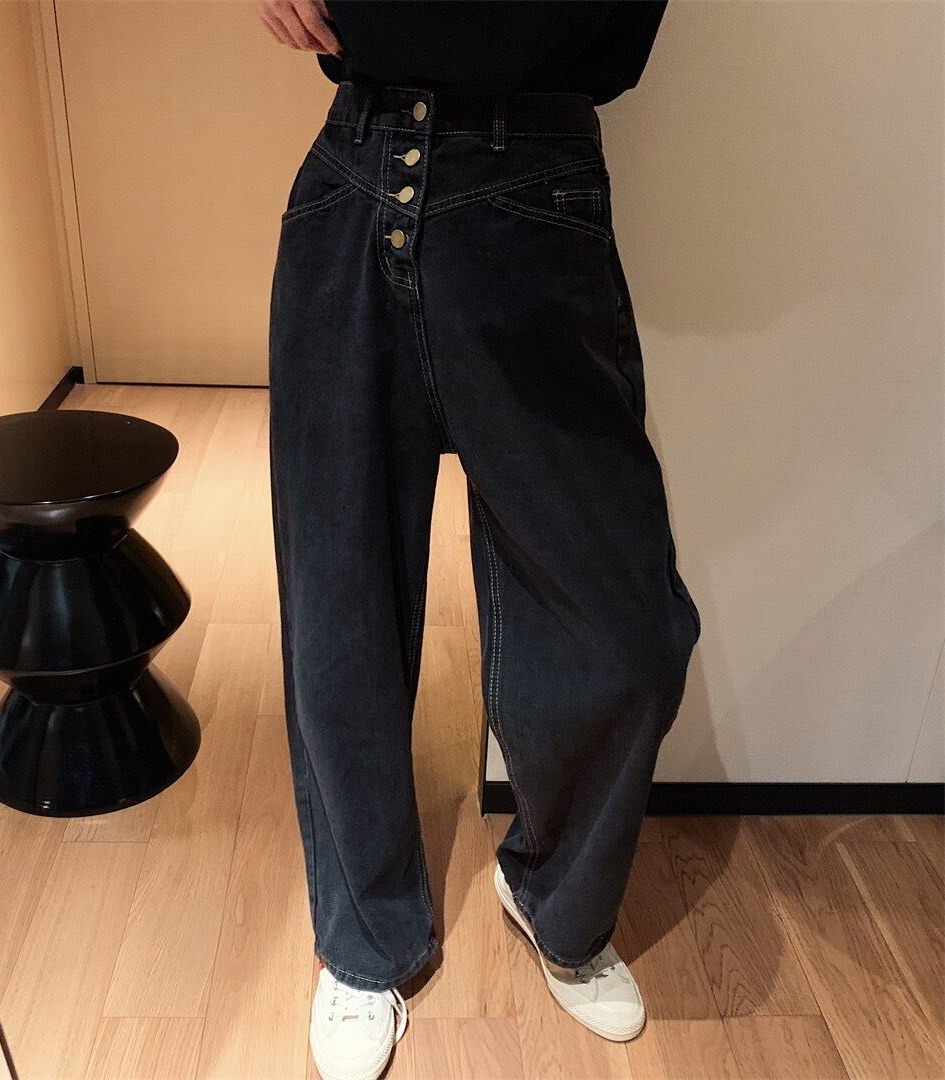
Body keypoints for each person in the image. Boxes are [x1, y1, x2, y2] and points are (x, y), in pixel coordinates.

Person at [258, 4, 699, 1078]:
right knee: (339, 606)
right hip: (358, 165)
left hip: (540, 187)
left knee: (624, 633)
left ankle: (554, 892)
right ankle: (362, 941)